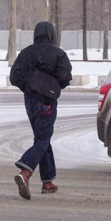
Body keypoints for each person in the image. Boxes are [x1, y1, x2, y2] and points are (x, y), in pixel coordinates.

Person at [9, 21, 73, 200]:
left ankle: (47, 181)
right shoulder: (58, 53)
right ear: (52, 34)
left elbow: (14, 77)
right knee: (43, 138)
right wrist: (49, 86)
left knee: (42, 138)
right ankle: (25, 172)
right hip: (46, 102)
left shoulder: (26, 53)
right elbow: (65, 77)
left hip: (30, 101)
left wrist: (29, 86)